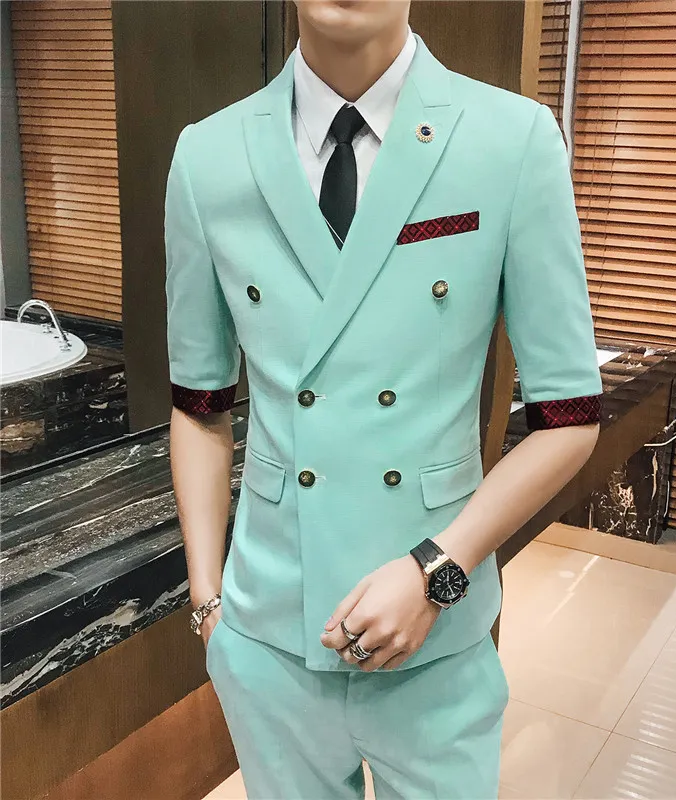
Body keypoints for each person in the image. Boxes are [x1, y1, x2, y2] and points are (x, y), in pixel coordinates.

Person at [164, 1, 602, 797]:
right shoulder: (208, 156)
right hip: (268, 637)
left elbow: (568, 418)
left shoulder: (511, 139)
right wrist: (208, 607)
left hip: (435, 641)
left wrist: (439, 570)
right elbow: (200, 404)